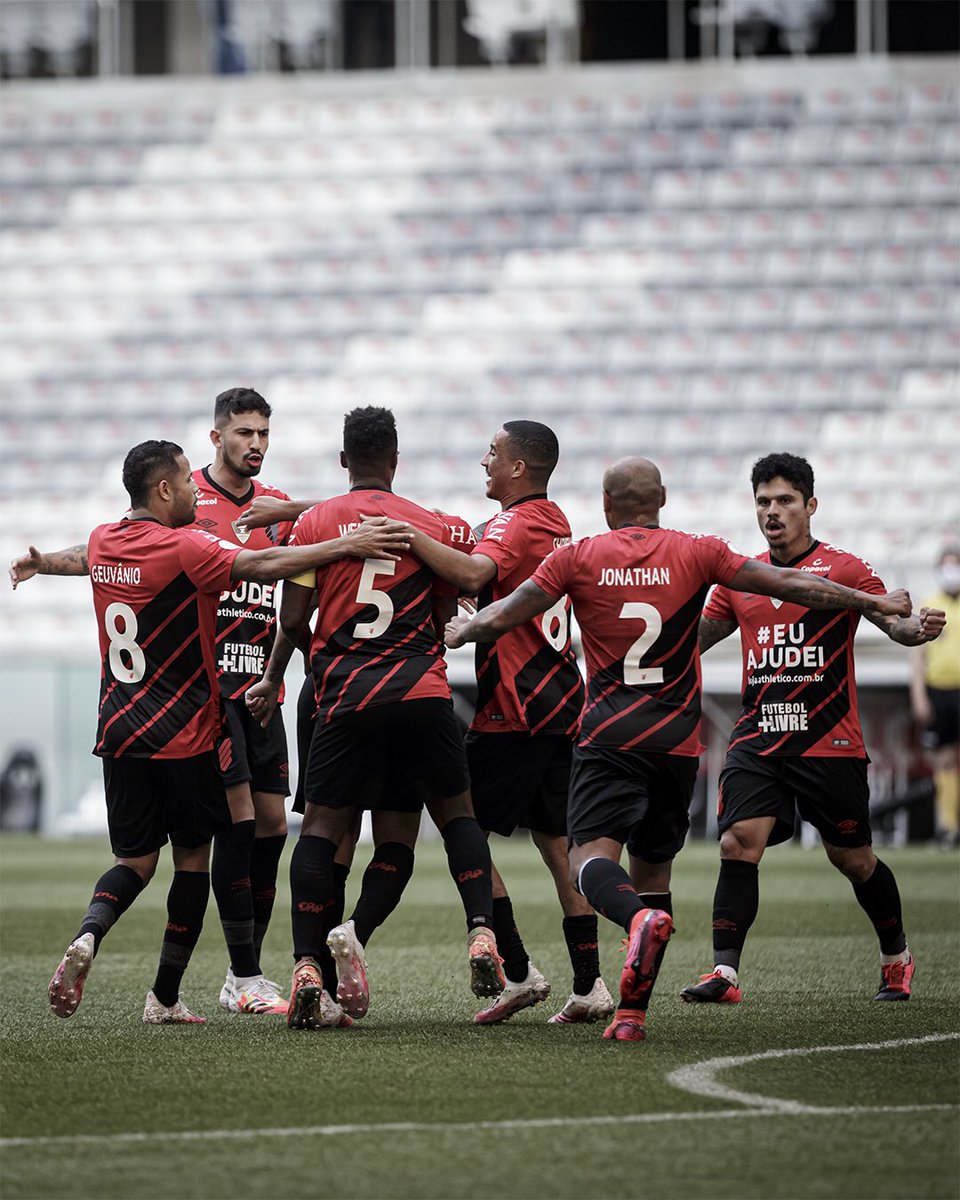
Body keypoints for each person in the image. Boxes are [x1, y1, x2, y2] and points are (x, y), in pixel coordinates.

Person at [440, 456, 914, 1041]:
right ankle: (634, 1011)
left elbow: (510, 612)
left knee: (588, 860)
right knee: (660, 865)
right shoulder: (700, 552)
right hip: (678, 742)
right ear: (661, 498)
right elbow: (791, 583)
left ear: (606, 503)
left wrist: (467, 629)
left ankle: (639, 921)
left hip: (611, 736)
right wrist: (872, 603)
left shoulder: (578, 555)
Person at [13, 439, 410, 1023]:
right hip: (186, 730)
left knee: (135, 863)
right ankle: (168, 996)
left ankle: (91, 934)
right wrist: (345, 545)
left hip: (119, 731)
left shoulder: (104, 539)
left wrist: (45, 562)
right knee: (193, 860)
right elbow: (261, 564)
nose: (196, 490)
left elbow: (86, 558)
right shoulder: (185, 545)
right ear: (165, 489)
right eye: (185, 482)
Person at [12, 388, 308, 1016]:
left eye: (263, 433)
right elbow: (110, 554)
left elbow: (105, 553)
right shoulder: (184, 508)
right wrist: (53, 564)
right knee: (227, 830)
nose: (254, 443)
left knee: (270, 826)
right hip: (204, 696)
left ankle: (230, 971)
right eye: (243, 432)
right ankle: (243, 973)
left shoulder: (277, 508)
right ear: (216, 439)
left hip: (255, 686)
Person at [245, 406, 503, 1031]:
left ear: (343, 462)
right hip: (421, 694)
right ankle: (479, 931)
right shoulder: (429, 521)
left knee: (324, 830)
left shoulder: (315, 523)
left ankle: (307, 963)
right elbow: (450, 604)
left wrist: (280, 672)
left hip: (344, 699)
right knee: (449, 818)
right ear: (395, 460)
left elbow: (293, 617)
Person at [680, 452, 945, 1008]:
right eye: (762, 502)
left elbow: (892, 623)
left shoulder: (845, 570)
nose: (772, 512)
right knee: (736, 843)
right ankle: (724, 974)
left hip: (830, 741)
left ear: (810, 506)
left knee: (852, 858)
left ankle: (895, 956)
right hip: (758, 736)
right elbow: (694, 643)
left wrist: (917, 630)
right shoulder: (740, 578)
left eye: (784, 501)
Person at [402, 421, 611, 1026]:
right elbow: (494, 581)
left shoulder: (514, 523)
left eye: (493, 453)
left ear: (519, 466)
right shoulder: (553, 520)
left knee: (458, 824)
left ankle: (519, 971)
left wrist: (411, 538)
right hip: (558, 705)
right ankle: (590, 984)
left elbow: (471, 573)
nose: (484, 461)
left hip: (513, 712)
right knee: (557, 846)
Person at [909, 544, 960, 847]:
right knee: (943, 759)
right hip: (939, 690)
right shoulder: (931, 604)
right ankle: (948, 827)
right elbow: (918, 657)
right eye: (946, 565)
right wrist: (919, 696)